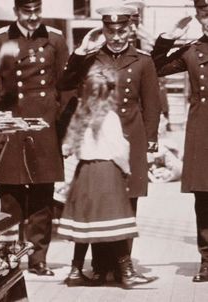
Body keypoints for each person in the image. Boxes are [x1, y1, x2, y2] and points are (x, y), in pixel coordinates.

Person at [57, 4, 161, 287]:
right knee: (100, 199)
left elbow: (152, 102)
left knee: (127, 201)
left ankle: (121, 265)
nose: (116, 37)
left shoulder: (142, 60)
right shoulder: (91, 57)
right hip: (98, 140)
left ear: (130, 29)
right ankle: (102, 268)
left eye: (121, 30)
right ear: (103, 30)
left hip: (130, 136)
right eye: (110, 31)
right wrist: (80, 51)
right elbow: (64, 83)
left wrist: (151, 139)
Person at [0, 0, 69, 276]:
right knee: (11, 196)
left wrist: (62, 127)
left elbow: (66, 86)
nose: (33, 17)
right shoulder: (0, 39)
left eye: (37, 11)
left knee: (42, 195)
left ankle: (38, 258)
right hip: (11, 129)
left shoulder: (55, 40)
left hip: (44, 128)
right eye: (27, 12)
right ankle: (10, 256)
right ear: (16, 12)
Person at [58, 66, 140, 289]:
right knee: (113, 223)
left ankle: (75, 270)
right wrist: (126, 168)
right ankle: (127, 271)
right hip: (106, 172)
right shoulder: (110, 117)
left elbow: (67, 148)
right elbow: (118, 148)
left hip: (84, 173)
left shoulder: (80, 116)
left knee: (84, 224)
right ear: (108, 93)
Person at [151, 0, 208, 282]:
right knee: (204, 197)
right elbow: (155, 67)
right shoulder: (192, 50)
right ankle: (207, 260)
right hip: (203, 131)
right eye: (205, 13)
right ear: (198, 16)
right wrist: (168, 37)